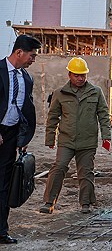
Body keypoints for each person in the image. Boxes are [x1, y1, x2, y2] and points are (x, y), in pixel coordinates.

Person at [40, 57, 111, 215]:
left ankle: (85, 203)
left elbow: (104, 115)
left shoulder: (96, 92)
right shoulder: (59, 94)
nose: (80, 78)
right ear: (69, 75)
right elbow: (52, 118)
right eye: (77, 75)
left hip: (87, 141)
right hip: (66, 140)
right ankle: (49, 202)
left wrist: (106, 136)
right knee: (59, 167)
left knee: (86, 172)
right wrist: (50, 139)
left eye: (83, 75)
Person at [0, 34, 41, 244]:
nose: (33, 60)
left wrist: (24, 137)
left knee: (4, 184)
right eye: (32, 55)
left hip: (10, 137)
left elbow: (27, 109)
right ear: (19, 52)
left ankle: (1, 231)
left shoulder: (27, 78)